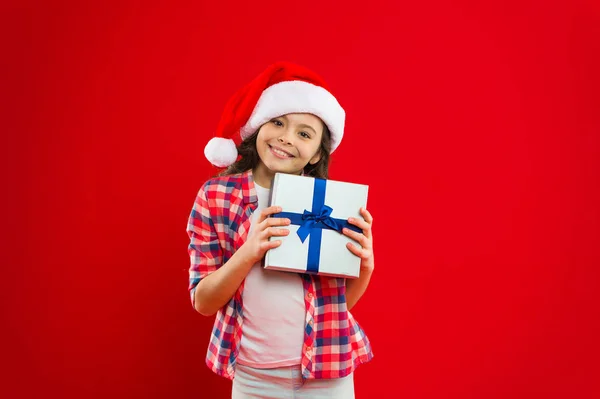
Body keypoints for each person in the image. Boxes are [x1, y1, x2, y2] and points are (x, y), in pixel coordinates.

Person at [186, 61, 375, 398]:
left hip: (326, 371)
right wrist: (249, 252)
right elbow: (203, 301)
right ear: (258, 126)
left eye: (304, 133)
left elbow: (338, 305)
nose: (286, 138)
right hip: (253, 376)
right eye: (277, 122)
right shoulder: (215, 197)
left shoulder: (330, 205)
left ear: (318, 153)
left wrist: (365, 267)